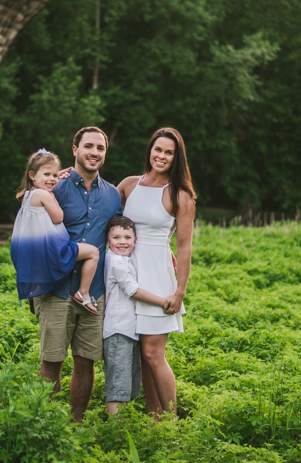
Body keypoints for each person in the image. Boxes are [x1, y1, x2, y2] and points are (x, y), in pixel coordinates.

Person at [32, 127, 122, 422]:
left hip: (93, 293)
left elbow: (125, 234)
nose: (94, 152)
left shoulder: (112, 196)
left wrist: (165, 246)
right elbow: (28, 214)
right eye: (88, 146)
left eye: (100, 147)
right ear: (75, 149)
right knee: (51, 362)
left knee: (86, 362)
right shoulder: (54, 187)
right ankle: (48, 425)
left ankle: (75, 423)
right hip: (55, 289)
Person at [117, 127, 196, 419]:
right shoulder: (129, 185)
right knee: (141, 354)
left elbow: (185, 246)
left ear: (176, 158)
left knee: (153, 353)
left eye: (169, 152)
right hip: (128, 276)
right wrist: (66, 174)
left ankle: (173, 420)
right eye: (158, 149)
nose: (161, 156)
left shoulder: (180, 195)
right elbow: (96, 201)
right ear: (150, 150)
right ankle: (155, 417)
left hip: (158, 277)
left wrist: (180, 291)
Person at [10, 150, 100, 313]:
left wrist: (54, 176)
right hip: (53, 251)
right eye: (47, 174)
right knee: (93, 252)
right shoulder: (44, 194)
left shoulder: (28, 195)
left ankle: (35, 295)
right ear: (32, 175)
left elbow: (43, 181)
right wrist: (52, 195)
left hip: (36, 253)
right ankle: (83, 292)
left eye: (54, 175)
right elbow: (58, 218)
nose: (52, 179)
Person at [103, 216, 168, 415]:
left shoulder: (125, 260)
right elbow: (134, 290)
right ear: (107, 241)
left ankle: (122, 429)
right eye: (116, 237)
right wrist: (163, 302)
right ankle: (117, 433)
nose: (122, 242)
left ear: (135, 240)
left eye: (127, 237)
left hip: (128, 331)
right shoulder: (116, 262)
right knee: (117, 387)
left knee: (125, 384)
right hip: (118, 330)